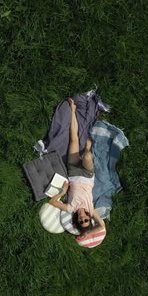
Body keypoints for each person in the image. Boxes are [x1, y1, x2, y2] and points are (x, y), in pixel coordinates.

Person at [49, 98, 105, 239]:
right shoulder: (91, 210)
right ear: (88, 218)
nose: (83, 218)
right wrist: (86, 234)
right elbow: (102, 226)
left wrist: (63, 192)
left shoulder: (70, 208)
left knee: (73, 139)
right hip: (87, 175)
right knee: (87, 157)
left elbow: (52, 202)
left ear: (77, 220)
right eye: (86, 220)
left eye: (81, 221)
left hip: (73, 173)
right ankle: (87, 148)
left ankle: (73, 110)